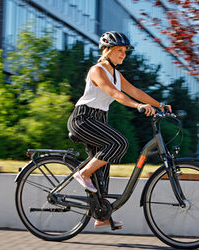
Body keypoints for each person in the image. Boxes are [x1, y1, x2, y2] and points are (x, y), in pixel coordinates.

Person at [67, 31, 172, 229]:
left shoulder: (116, 74)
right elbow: (115, 94)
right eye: (119, 51)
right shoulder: (97, 70)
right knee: (119, 143)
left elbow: (135, 91)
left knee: (103, 173)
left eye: (125, 51)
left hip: (98, 120)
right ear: (107, 50)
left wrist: (159, 104)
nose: (123, 54)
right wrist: (138, 106)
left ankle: (101, 215)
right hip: (83, 119)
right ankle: (83, 173)